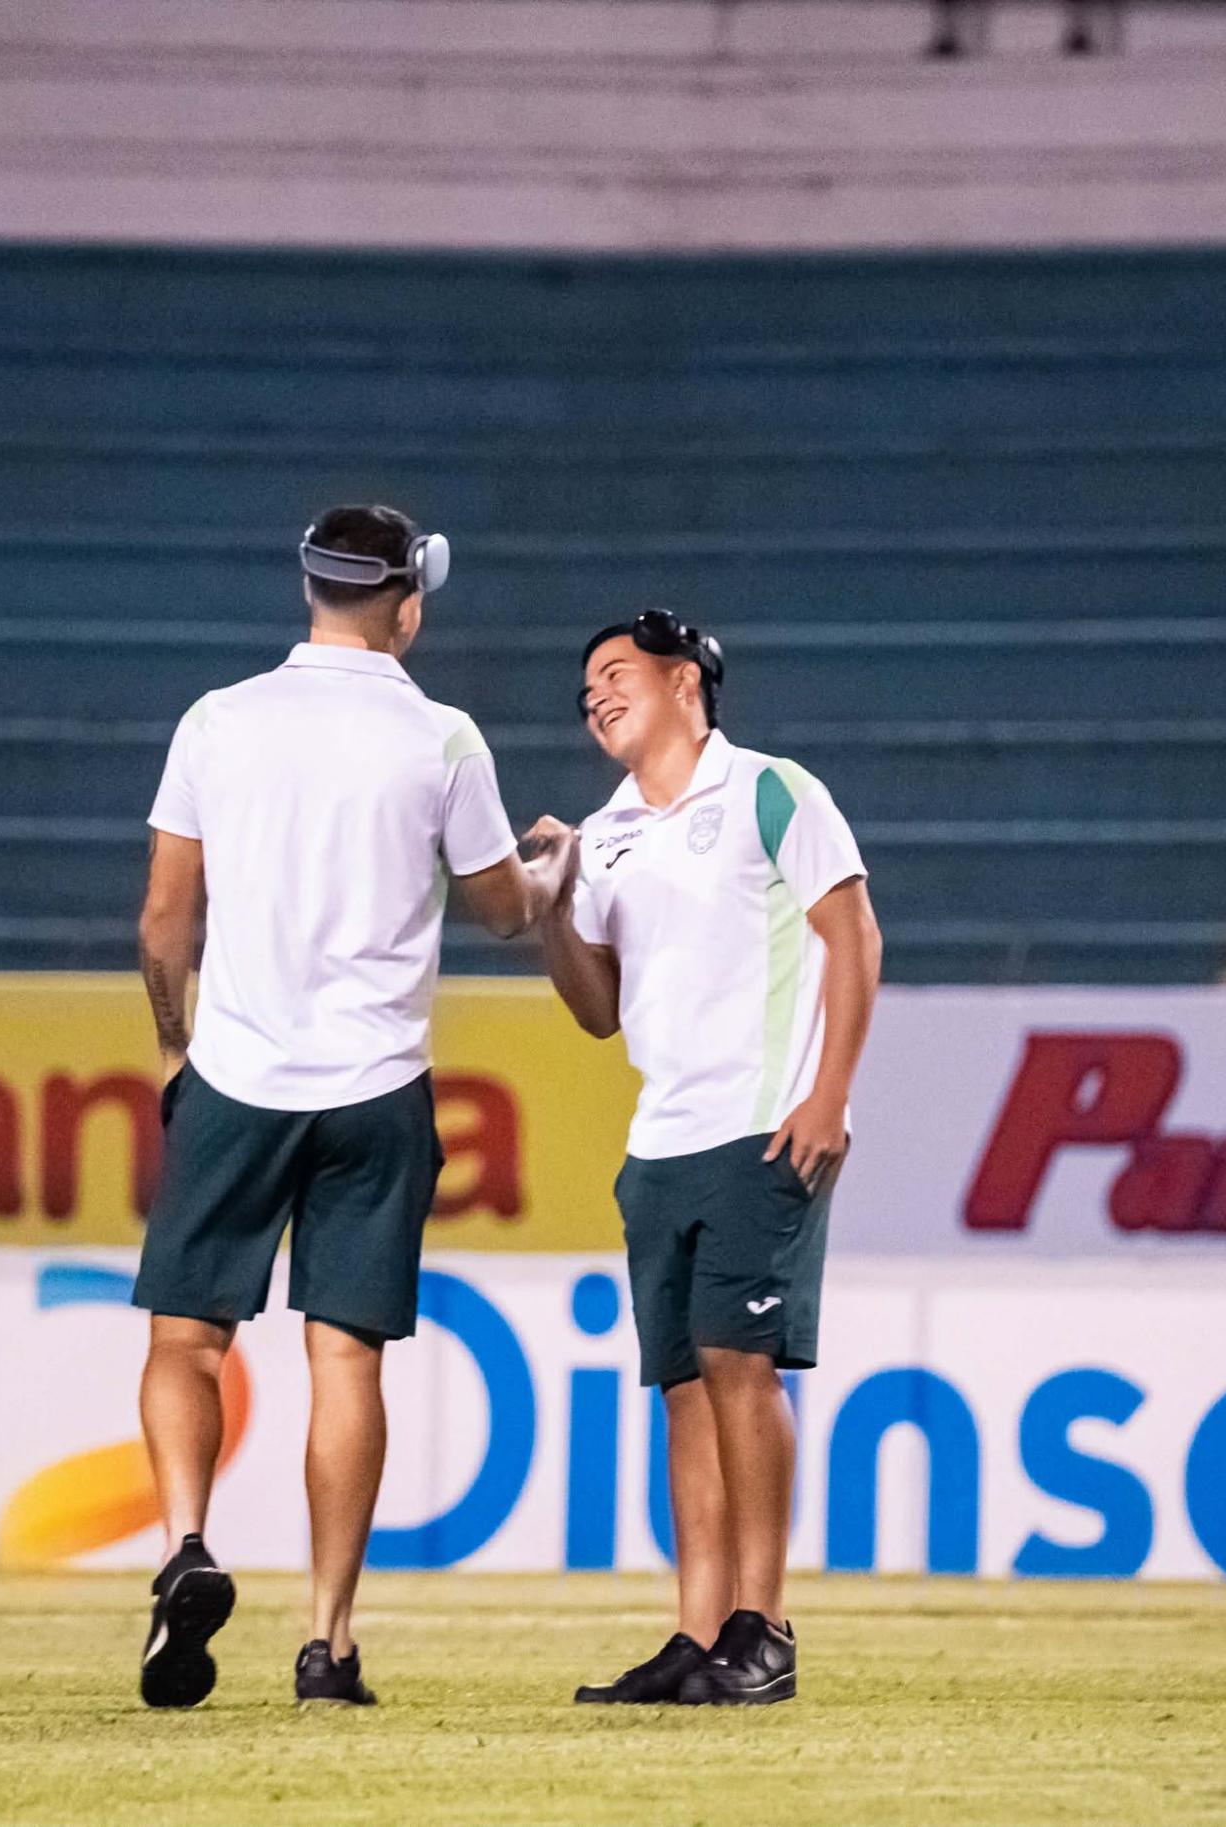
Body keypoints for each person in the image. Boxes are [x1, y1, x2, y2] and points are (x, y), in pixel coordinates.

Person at [132, 504, 576, 1710]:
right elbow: (498, 911)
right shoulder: (441, 740)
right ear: (407, 603)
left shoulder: (217, 722)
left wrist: (176, 1048)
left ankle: (183, 1545)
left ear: (308, 592)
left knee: (186, 1339)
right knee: (347, 1360)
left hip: (237, 1072)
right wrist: (555, 869)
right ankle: (327, 1641)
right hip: (376, 1089)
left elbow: (167, 916)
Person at [529, 609, 881, 1706]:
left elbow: (851, 935)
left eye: (614, 672)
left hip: (761, 1122)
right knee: (684, 1386)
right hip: (662, 1139)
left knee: (739, 1366)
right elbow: (597, 1010)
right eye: (584, 684)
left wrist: (828, 1095)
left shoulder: (772, 790)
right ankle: (695, 1635)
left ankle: (760, 1628)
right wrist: (549, 910)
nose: (593, 694)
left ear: (686, 681)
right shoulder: (608, 831)